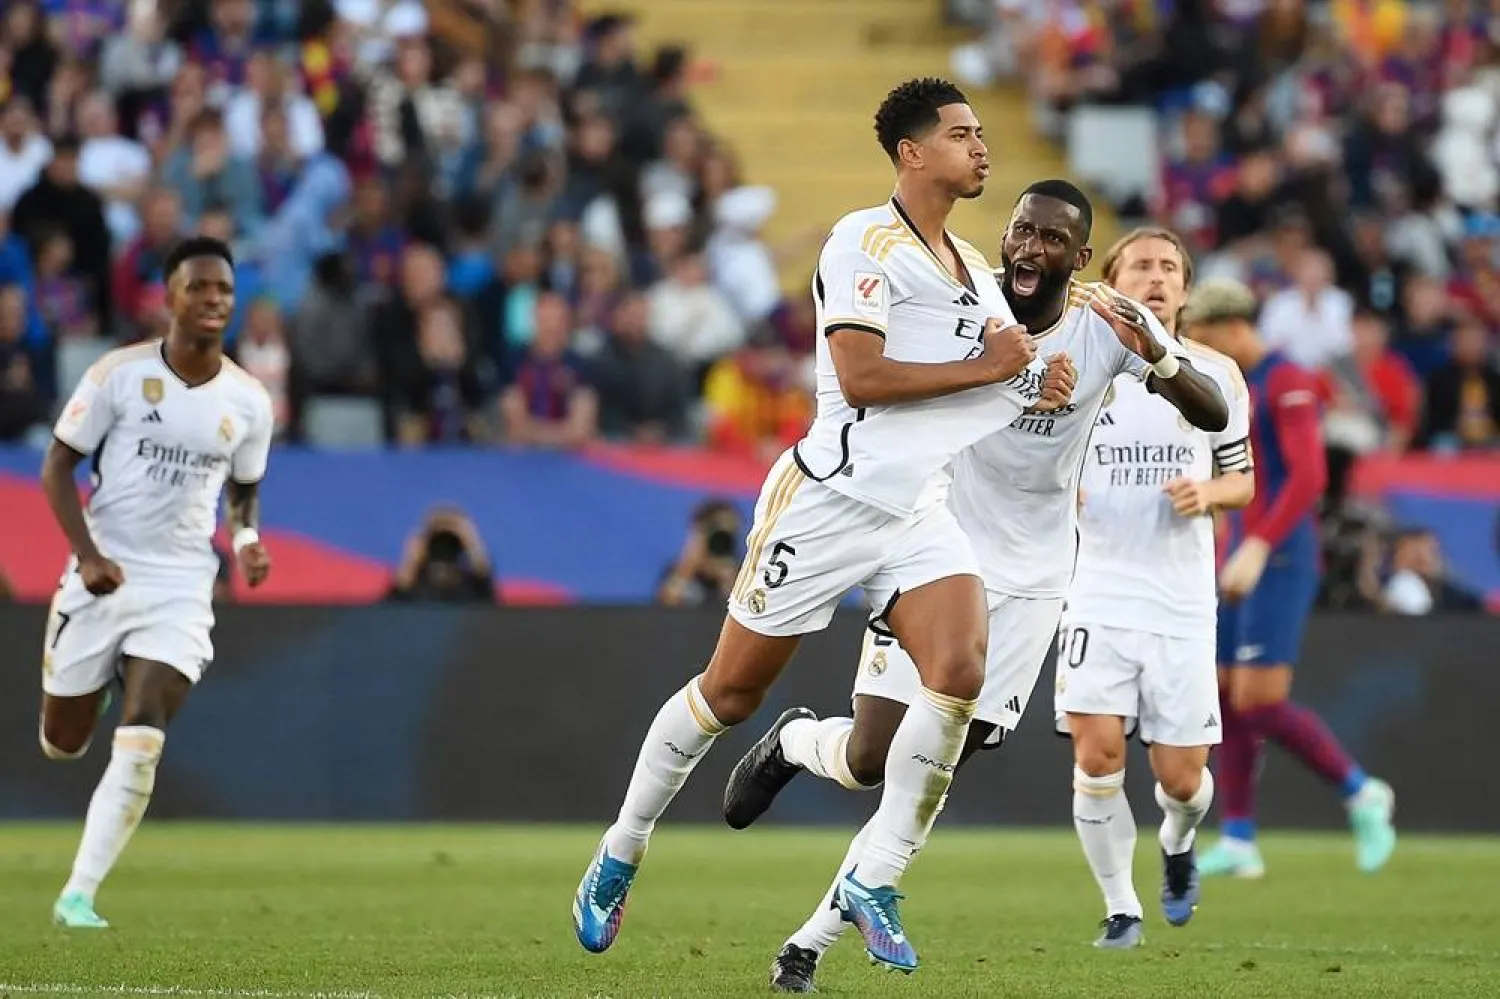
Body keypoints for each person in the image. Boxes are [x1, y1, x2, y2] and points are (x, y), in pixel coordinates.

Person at [571, 78, 1065, 974]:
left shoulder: (970, 268)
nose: (981, 148)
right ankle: (623, 845)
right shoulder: (860, 242)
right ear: (913, 153)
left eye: (983, 132)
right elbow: (864, 376)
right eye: (961, 135)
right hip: (828, 503)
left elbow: (1006, 367)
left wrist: (1038, 379)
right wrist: (994, 366)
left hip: (916, 512)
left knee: (957, 672)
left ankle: (875, 877)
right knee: (729, 695)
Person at [727, 201, 1234, 992]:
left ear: (1080, 255)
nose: (1032, 247)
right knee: (868, 759)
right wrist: (1000, 376)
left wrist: (1160, 361)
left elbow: (1215, 409)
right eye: (1023, 231)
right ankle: (797, 742)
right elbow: (878, 378)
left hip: (1033, 579)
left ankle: (806, 944)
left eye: (1053, 239)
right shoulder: (964, 302)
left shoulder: (1109, 325)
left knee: (931, 769)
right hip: (937, 556)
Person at [38, 235, 274, 929]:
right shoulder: (118, 375)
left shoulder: (249, 400)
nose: (212, 300)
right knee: (64, 740)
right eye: (199, 287)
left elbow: (245, 491)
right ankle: (99, 685)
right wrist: (84, 556)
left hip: (180, 581)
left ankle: (77, 894)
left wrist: (250, 539)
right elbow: (56, 467)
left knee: (144, 730)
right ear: (168, 296)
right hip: (104, 568)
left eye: (224, 290)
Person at [1054, 229, 1254, 951]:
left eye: (1171, 267)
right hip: (1098, 587)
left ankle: (1177, 840)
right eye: (1141, 264)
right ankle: (1120, 907)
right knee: (1098, 753)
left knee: (1181, 778)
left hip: (1179, 598)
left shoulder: (1217, 375)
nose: (1157, 276)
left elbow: (1244, 476)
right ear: (1111, 280)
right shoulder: (1078, 368)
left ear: (1186, 288)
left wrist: (1210, 491)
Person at [1182, 278, 1397, 879]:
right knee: (1223, 699)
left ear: (1231, 328)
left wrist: (1258, 543)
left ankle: (1361, 791)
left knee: (1260, 697)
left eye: (1201, 340)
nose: (1198, 352)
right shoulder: (1240, 386)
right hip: (1241, 553)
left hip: (1281, 556)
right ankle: (1241, 837)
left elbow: (1308, 478)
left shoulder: (1288, 381)